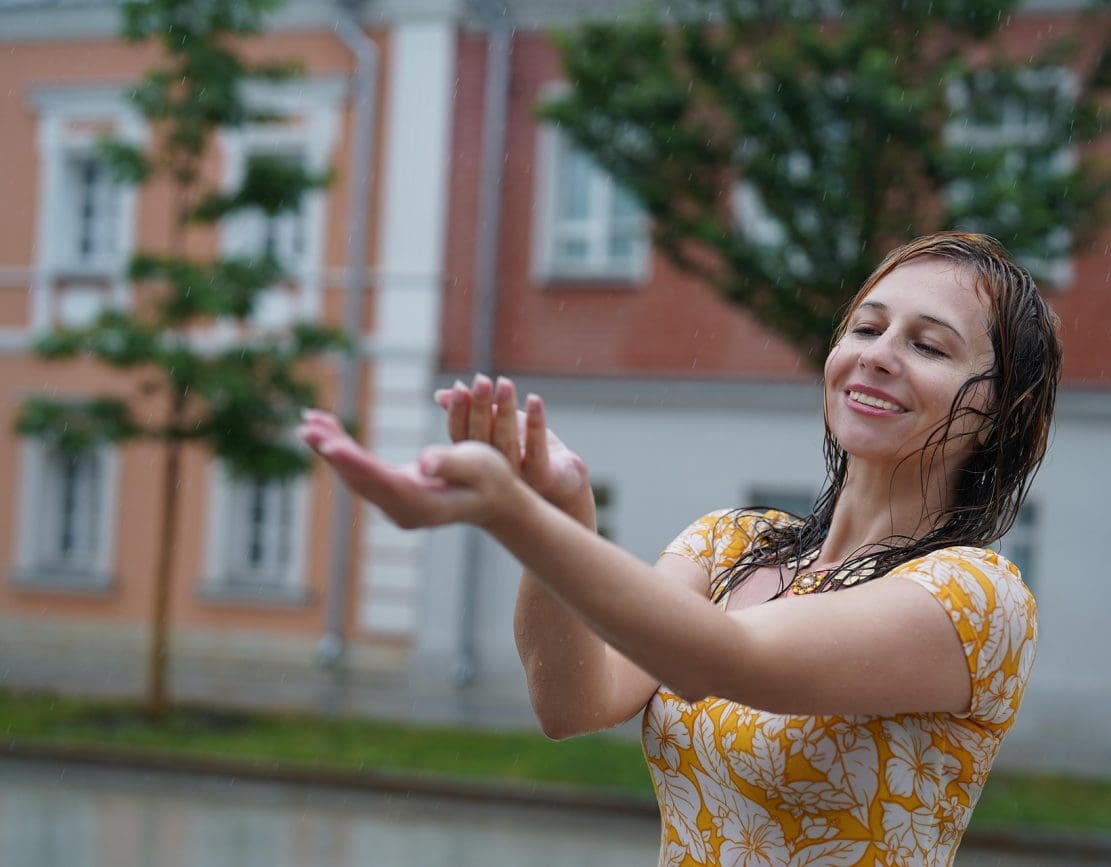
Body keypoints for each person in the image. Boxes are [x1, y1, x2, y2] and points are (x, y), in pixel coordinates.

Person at [298, 231, 1061, 866]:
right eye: (865, 328)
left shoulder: (975, 598)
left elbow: (722, 658)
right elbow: (572, 699)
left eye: (928, 345)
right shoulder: (731, 543)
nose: (879, 354)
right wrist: (561, 504)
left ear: (999, 413)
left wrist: (513, 516)